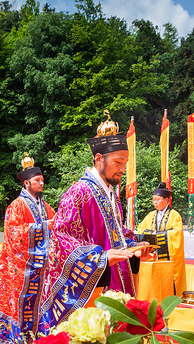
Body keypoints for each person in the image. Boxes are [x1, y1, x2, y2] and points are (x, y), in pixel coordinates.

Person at [40, 113, 152, 329]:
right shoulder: (78, 193)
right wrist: (99, 258)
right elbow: (62, 241)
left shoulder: (110, 191)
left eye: (125, 163)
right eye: (118, 162)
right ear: (99, 158)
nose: (122, 169)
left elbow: (115, 232)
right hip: (95, 286)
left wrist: (133, 246)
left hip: (114, 278)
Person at [0, 155, 56, 343]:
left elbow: (57, 221)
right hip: (20, 267)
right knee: (19, 302)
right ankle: (15, 338)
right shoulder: (16, 206)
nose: (41, 183)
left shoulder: (44, 206)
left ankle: (36, 336)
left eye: (42, 180)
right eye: (37, 181)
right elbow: (13, 234)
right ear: (27, 183)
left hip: (40, 266)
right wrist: (44, 226)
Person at [137, 182, 187, 296]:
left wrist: (156, 235)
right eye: (154, 199)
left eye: (158, 199)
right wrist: (152, 234)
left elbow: (176, 233)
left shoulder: (175, 215)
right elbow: (141, 229)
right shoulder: (151, 215)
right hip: (153, 257)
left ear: (166, 200)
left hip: (168, 258)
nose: (155, 202)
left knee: (169, 284)